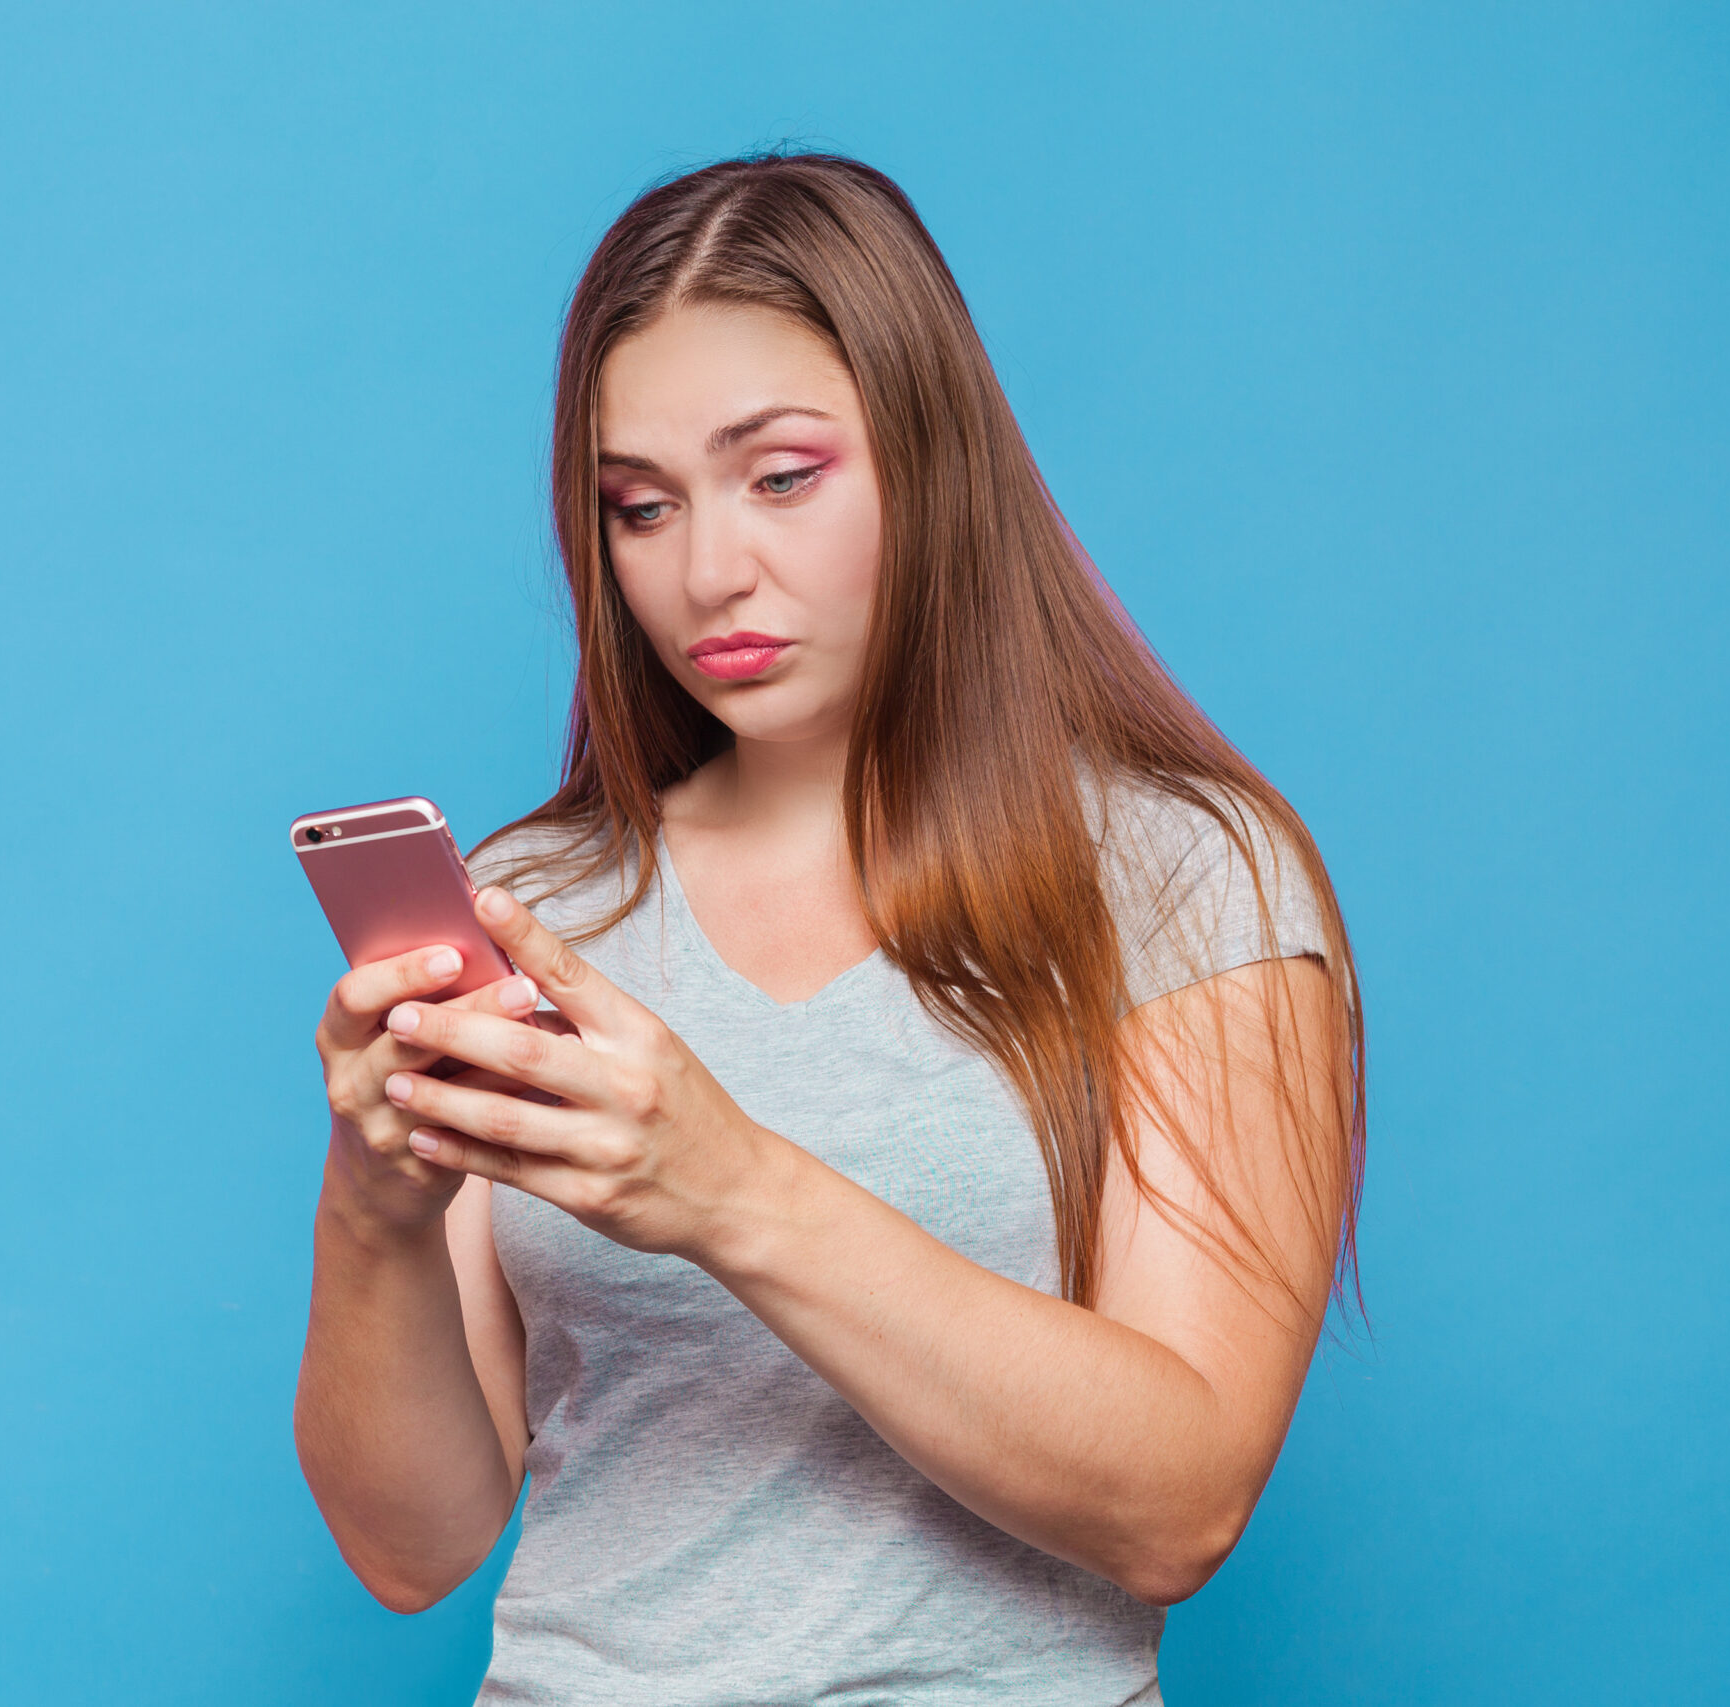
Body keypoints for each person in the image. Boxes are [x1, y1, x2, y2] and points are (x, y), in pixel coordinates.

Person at [293, 152, 1365, 1706]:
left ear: (930, 455)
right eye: (639, 506)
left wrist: (727, 1187)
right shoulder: (551, 901)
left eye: (782, 476)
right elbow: (412, 1550)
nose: (705, 570)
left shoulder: (1188, 872)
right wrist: (374, 1207)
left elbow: (1179, 1503)